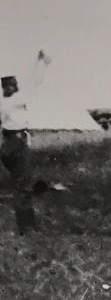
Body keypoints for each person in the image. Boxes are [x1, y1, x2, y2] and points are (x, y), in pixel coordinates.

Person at [0, 50, 51, 234]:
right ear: (9, 86)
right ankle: (27, 227)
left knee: (19, 184)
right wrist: (42, 64)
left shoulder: (3, 102)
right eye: (14, 84)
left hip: (7, 144)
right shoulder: (16, 100)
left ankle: (25, 225)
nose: (17, 86)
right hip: (17, 143)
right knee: (23, 185)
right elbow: (34, 82)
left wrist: (36, 62)